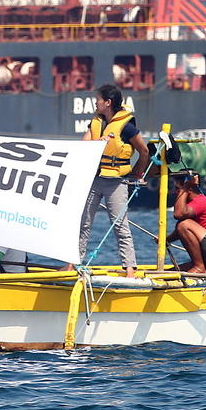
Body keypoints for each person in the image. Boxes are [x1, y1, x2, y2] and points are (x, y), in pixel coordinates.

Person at [67, 84, 150, 277]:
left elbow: (143, 151)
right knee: (83, 222)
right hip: (95, 179)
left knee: (120, 224)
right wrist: (99, 142)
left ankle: (130, 269)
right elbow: (84, 145)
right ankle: (72, 263)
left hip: (116, 182)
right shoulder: (95, 122)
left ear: (108, 102)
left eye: (98, 99)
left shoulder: (127, 126)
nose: (95, 102)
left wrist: (138, 172)